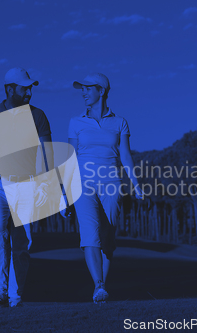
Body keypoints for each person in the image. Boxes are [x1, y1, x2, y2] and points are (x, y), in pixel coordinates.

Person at [64, 73, 143, 303]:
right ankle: (98, 286)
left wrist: (136, 185)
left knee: (107, 238)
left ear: (102, 91)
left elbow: (126, 156)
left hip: (111, 183)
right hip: (83, 184)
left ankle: (102, 284)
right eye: (82, 89)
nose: (83, 92)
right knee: (90, 234)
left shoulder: (120, 122)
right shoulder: (75, 122)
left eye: (88, 88)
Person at [0, 68, 53, 308]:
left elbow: (47, 153)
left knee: (21, 244)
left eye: (31, 87)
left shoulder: (38, 115)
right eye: (25, 88)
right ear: (10, 89)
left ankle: (15, 296)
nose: (29, 92)